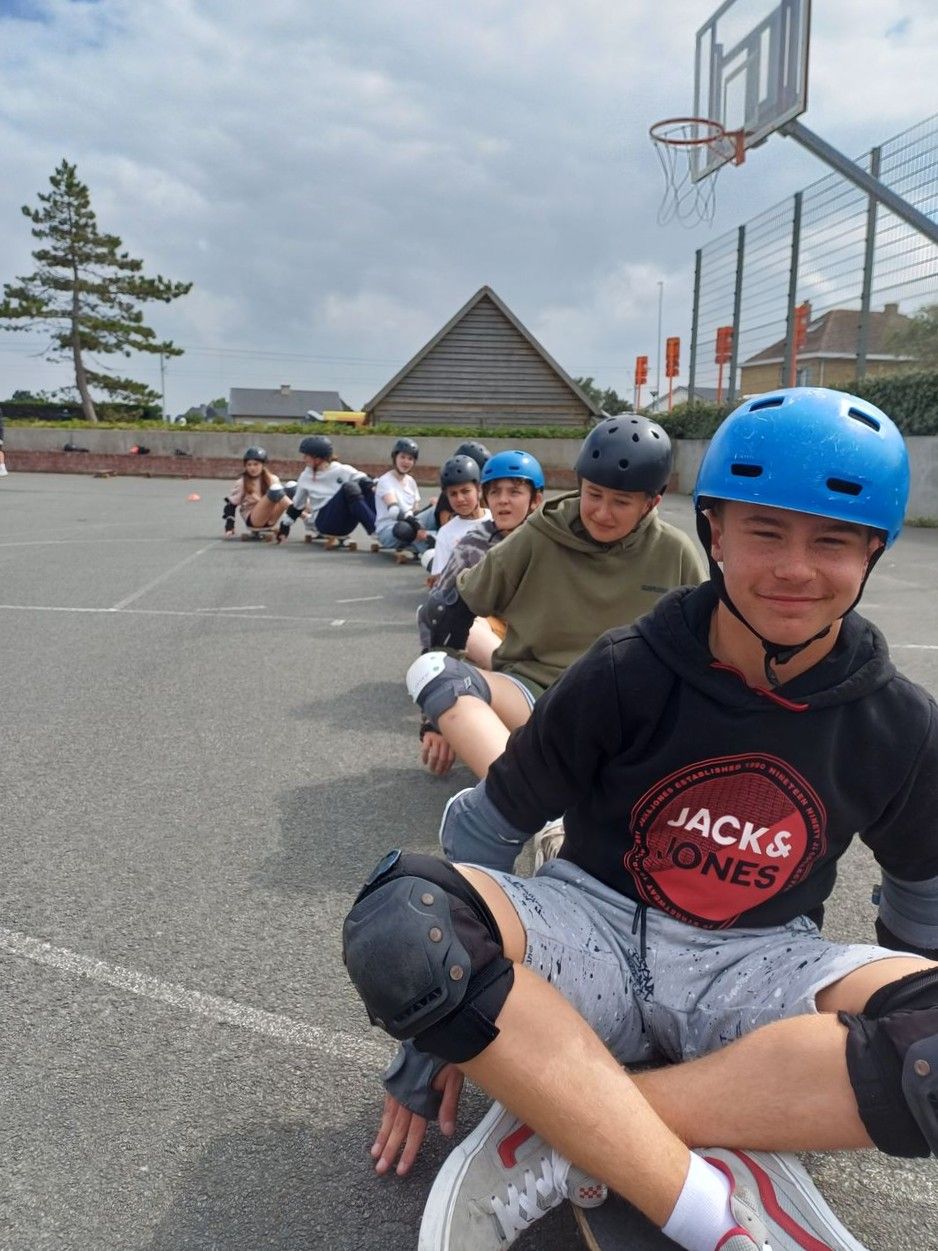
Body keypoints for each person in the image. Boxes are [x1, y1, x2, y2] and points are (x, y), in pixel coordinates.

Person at [343, 388, 938, 1251]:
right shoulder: (629, 667)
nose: (795, 569)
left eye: (833, 541)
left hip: (755, 960)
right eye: (765, 532)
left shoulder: (898, 720)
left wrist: (898, 1047)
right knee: (404, 924)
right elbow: (487, 828)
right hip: (594, 927)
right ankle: (705, 1207)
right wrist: (433, 1017)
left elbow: (920, 899)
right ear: (715, 533)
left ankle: (569, 1125)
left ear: (873, 550)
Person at [406, 415, 707, 780]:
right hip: (535, 694)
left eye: (621, 502)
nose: (602, 512)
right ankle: (518, 799)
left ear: (651, 502)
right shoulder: (541, 533)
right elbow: (452, 608)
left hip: (628, 710)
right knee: (433, 673)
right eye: (593, 494)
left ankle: (535, 786)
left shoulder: (674, 552)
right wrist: (438, 718)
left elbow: (705, 651)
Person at [416, 449, 546, 665]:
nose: (503, 500)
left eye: (514, 492)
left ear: (536, 499)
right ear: (486, 498)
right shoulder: (472, 543)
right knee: (449, 611)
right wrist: (431, 654)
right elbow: (438, 605)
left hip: (544, 632)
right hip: (498, 632)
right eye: (495, 492)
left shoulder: (549, 538)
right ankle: (509, 672)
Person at [276, 434, 378, 549]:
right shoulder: (305, 476)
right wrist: (284, 526)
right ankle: (375, 531)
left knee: (367, 487)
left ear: (318, 458)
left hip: (346, 525)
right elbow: (297, 506)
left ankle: (380, 527)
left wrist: (376, 486)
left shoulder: (341, 470)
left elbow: (365, 480)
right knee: (349, 487)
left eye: (306, 456)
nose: (304, 459)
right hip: (324, 523)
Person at [425, 455, 491, 581]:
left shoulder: (496, 519)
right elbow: (442, 579)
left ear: (479, 489)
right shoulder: (446, 532)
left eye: (465, 491)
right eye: (453, 494)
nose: (459, 498)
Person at [374, 437, 431, 557]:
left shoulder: (411, 482)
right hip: (390, 529)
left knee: (435, 511)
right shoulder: (385, 481)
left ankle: (429, 542)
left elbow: (415, 512)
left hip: (410, 525)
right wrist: (417, 525)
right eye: (403, 457)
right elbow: (394, 512)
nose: (406, 462)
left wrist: (431, 508)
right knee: (404, 529)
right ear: (395, 458)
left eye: (410, 458)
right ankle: (426, 544)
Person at [222, 447, 291, 537]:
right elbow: (231, 505)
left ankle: (303, 516)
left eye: (256, 464)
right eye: (249, 465)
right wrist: (229, 526)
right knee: (275, 490)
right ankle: (304, 516)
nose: (252, 468)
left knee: (291, 488)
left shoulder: (273, 479)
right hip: (254, 520)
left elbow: (283, 501)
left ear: (263, 465)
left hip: (271, 520)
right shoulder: (242, 482)